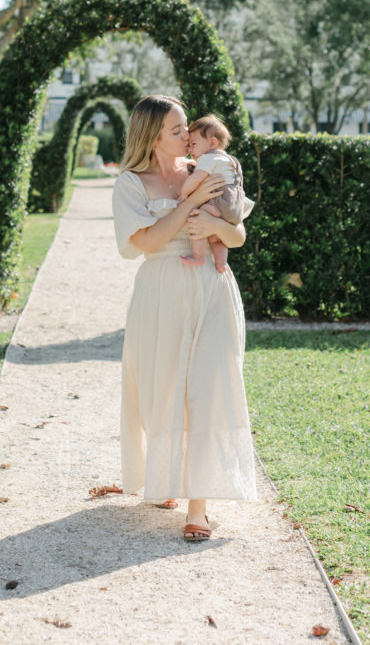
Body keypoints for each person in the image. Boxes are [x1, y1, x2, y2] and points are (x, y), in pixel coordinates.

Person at [111, 95, 257, 542]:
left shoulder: (206, 171)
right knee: (164, 390)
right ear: (152, 137)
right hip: (161, 296)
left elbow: (238, 234)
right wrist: (186, 207)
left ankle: (199, 506)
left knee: (211, 387)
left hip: (212, 291)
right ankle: (165, 479)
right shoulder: (131, 184)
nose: (187, 137)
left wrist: (213, 226)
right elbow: (145, 244)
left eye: (186, 129)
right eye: (177, 131)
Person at [178, 113, 253, 272]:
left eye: (193, 144)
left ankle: (197, 256)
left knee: (198, 217)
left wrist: (184, 194)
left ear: (212, 142)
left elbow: (196, 179)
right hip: (235, 208)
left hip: (220, 202)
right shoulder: (230, 160)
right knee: (216, 238)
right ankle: (221, 263)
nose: (190, 149)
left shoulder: (208, 158)